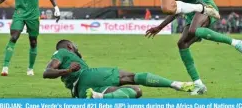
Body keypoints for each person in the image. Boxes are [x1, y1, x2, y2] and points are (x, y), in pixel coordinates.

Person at [145, 0, 242, 95]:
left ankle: (236, 43)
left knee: (193, 30)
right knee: (182, 43)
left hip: (204, 6)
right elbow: (175, 8)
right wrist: (159, 27)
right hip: (190, 14)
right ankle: (199, 84)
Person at [43, 40, 194, 99]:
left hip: (81, 92)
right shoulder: (62, 52)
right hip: (85, 76)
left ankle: (101, 97)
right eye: (75, 46)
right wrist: (68, 71)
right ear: (70, 46)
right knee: (130, 77)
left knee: (136, 91)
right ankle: (175, 84)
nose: (77, 48)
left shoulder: (73, 58)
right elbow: (47, 72)